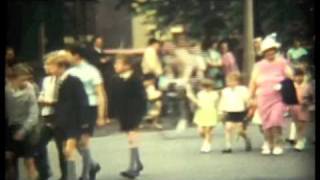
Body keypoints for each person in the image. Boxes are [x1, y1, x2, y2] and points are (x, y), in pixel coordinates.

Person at [67, 45, 108, 180]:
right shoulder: (70, 71)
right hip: (74, 109)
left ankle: (85, 175)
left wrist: (101, 115)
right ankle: (92, 164)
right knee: (75, 141)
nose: (67, 57)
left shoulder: (92, 71)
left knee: (84, 141)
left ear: (76, 55)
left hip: (89, 106)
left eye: (69, 54)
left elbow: (100, 93)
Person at [46, 50, 88, 180]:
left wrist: (84, 123)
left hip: (73, 121)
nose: (48, 68)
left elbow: (82, 102)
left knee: (69, 151)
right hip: (60, 122)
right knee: (67, 151)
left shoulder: (74, 81)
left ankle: (72, 176)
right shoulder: (54, 82)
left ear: (61, 66)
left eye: (51, 65)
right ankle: (89, 167)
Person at [249, 36, 293, 155]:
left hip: (278, 97)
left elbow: (291, 76)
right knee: (266, 123)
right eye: (267, 50)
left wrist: (284, 82)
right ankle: (268, 142)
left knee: (275, 120)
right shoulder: (258, 65)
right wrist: (251, 97)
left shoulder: (282, 62)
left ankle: (278, 143)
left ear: (275, 50)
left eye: (272, 49)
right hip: (263, 98)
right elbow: (253, 81)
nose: (270, 52)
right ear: (264, 52)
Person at [110, 54, 147, 179]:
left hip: (134, 113)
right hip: (123, 113)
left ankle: (133, 167)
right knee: (131, 138)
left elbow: (142, 98)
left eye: (118, 64)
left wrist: (141, 113)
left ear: (127, 66)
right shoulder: (116, 79)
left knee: (133, 138)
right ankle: (138, 163)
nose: (115, 66)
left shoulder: (135, 79)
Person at [35, 51, 70, 180]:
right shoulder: (46, 80)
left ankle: (65, 176)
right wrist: (42, 100)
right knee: (38, 145)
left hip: (59, 119)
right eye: (46, 65)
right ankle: (44, 172)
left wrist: (51, 103)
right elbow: (42, 94)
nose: (46, 67)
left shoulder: (65, 80)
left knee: (62, 150)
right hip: (47, 116)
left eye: (49, 65)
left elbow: (65, 101)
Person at [5, 63, 39, 180]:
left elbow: (34, 113)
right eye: (22, 79)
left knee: (29, 162)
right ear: (14, 78)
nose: (25, 82)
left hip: (25, 128)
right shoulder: (7, 90)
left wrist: (23, 130)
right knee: (9, 161)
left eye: (27, 79)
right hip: (9, 127)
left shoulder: (30, 89)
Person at [219, 72, 252, 153]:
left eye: (232, 81)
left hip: (240, 111)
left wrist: (249, 106)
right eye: (228, 81)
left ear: (237, 81)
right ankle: (228, 146)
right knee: (228, 127)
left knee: (240, 131)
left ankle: (246, 138)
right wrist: (220, 111)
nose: (230, 83)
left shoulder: (243, 89)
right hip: (229, 111)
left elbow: (247, 99)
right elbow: (222, 101)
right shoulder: (225, 91)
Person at [186, 79, 219, 153]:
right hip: (201, 113)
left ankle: (206, 145)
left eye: (208, 87)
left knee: (207, 130)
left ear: (212, 87)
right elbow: (197, 101)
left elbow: (216, 104)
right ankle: (207, 141)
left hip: (211, 112)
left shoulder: (215, 94)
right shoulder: (200, 93)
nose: (207, 88)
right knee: (200, 131)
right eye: (205, 87)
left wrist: (218, 113)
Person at [289, 67, 314, 151]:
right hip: (294, 108)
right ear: (294, 77)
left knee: (301, 125)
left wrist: (307, 101)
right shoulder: (292, 86)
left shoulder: (307, 86)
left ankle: (300, 142)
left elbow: (311, 97)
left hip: (304, 108)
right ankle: (300, 139)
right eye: (296, 76)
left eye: (300, 76)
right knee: (296, 125)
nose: (299, 78)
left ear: (303, 76)